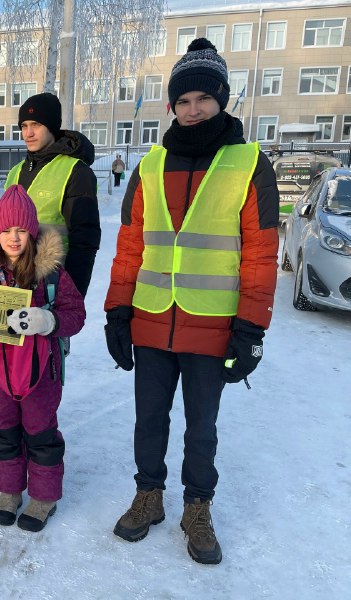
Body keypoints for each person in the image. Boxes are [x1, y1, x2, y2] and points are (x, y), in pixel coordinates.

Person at [103, 38, 279, 565]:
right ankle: (149, 495)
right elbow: (131, 245)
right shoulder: (150, 166)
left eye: (204, 97)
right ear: (171, 106)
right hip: (153, 320)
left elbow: (260, 254)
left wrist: (251, 328)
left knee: (202, 426)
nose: (194, 108)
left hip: (213, 324)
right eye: (184, 100)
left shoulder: (249, 164)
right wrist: (117, 310)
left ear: (222, 99)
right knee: (148, 420)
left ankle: (197, 507)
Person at [0, 185, 85, 532]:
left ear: (32, 231)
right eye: (6, 230)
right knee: (5, 430)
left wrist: (47, 320)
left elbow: (76, 314)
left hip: (42, 371)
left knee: (40, 431)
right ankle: (9, 492)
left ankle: (44, 496)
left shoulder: (50, 274)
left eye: (21, 230)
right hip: (0, 370)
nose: (13, 237)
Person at [0, 91, 100, 448]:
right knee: (7, 348)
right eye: (24, 126)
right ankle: (5, 423)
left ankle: (38, 428)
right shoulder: (17, 170)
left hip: (50, 286)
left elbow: (84, 237)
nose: (29, 133)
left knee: (44, 362)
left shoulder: (75, 171)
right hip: (12, 282)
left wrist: (72, 293)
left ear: (53, 126)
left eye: (36, 125)